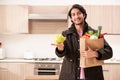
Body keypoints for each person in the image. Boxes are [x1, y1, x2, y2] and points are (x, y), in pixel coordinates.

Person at [53, 4, 113, 80]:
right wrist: (60, 49)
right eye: (73, 15)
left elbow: (109, 52)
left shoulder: (96, 33)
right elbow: (60, 54)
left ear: (84, 15)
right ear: (71, 18)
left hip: (92, 76)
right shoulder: (65, 34)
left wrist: (95, 53)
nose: (76, 16)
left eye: (79, 13)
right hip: (70, 76)